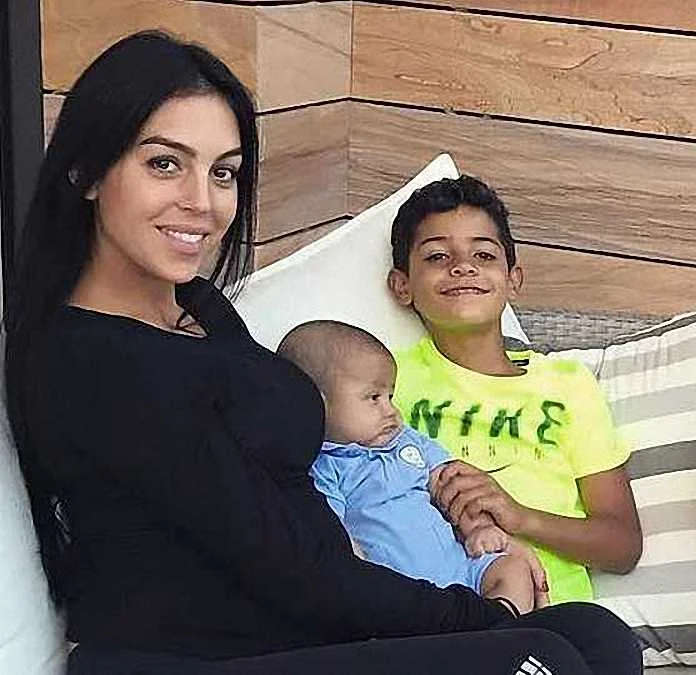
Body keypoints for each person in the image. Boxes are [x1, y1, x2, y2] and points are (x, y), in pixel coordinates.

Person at [5, 31, 640, 674]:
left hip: (301, 620)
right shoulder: (90, 361)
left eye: (223, 172)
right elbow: (286, 563)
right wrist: (481, 618)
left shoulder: (198, 304)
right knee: (541, 657)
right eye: (165, 164)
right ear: (87, 171)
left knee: (599, 637)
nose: (202, 203)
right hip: (198, 656)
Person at [386, 176, 642, 605]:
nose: (462, 266)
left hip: (552, 614)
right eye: (437, 256)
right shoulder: (384, 378)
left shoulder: (567, 385)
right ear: (402, 285)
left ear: (513, 279)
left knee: (597, 635)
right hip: (432, 609)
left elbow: (622, 546)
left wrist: (518, 517)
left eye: (484, 255)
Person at [278, 320, 538, 614]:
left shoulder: (407, 441)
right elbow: (332, 537)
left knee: (513, 569)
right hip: (403, 596)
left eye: (390, 397)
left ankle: (502, 627)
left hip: (464, 569)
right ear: (317, 402)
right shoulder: (325, 468)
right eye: (374, 398)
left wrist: (478, 527)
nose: (391, 410)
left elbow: (452, 483)